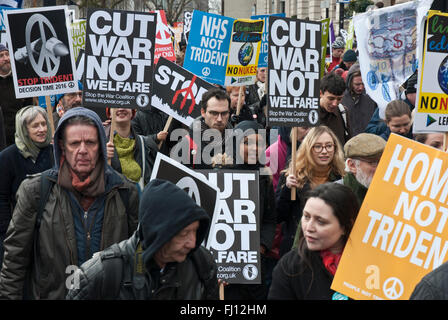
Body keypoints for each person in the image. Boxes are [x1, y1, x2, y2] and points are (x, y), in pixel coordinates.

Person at [0, 107, 139, 299]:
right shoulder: (36, 191)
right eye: (74, 143)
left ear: (100, 144)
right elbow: (15, 260)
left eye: (90, 142)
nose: (82, 150)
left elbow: (138, 258)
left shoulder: (125, 191)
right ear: (62, 146)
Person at [66, 179, 218, 300]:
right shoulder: (102, 273)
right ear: (159, 231)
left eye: (195, 231)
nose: (192, 243)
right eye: (184, 233)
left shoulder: (202, 264)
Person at [268, 183, 360, 300]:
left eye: (321, 222)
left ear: (346, 226)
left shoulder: (370, 267)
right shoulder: (290, 266)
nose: (309, 227)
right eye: (306, 217)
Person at [221, 121, 277, 300]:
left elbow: (269, 218)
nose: (254, 148)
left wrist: (261, 247)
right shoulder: (218, 173)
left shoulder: (264, 176)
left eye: (259, 143)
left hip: (253, 266)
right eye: (246, 143)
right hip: (224, 270)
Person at [275, 126, 345, 257]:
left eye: (329, 146)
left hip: (330, 252)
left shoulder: (342, 178)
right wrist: (287, 190)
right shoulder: (293, 175)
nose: (324, 151)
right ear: (308, 148)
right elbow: (278, 215)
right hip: (297, 251)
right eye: (318, 146)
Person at [0, 106, 54, 267]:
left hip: (50, 231)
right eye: (35, 125)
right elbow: (1, 197)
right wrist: (7, 232)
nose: (42, 129)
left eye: (44, 124)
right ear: (24, 129)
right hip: (19, 232)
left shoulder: (55, 153)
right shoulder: (7, 158)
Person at [172, 88, 233, 169]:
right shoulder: (187, 144)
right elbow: (175, 177)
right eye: (214, 113)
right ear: (203, 112)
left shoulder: (238, 143)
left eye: (224, 113)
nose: (219, 119)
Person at [105, 108, 158, 191]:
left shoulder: (147, 145)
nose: (121, 108)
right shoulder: (97, 144)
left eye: (126, 104)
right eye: (116, 105)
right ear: (109, 114)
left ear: (133, 113)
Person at [0, 44, 33, 147]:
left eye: (7, 54)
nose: (6, 58)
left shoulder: (20, 80)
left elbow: (29, 110)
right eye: (1, 55)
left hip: (21, 139)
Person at [339, 133, 386, 205]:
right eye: (374, 163)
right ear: (352, 165)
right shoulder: (335, 196)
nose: (382, 168)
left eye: (385, 161)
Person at [365, 71, 417, 136]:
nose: (402, 130)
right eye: (397, 126)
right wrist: (388, 125)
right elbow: (369, 130)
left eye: (406, 124)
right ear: (410, 92)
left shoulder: (420, 110)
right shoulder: (388, 104)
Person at [341, 63, 378, 137]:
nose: (361, 88)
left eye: (363, 84)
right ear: (349, 82)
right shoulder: (341, 99)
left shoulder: (372, 97)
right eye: (357, 84)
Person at [318, 72, 351, 146]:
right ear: (321, 93)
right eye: (331, 98)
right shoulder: (309, 113)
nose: (335, 104)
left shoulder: (343, 112)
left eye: (339, 99)